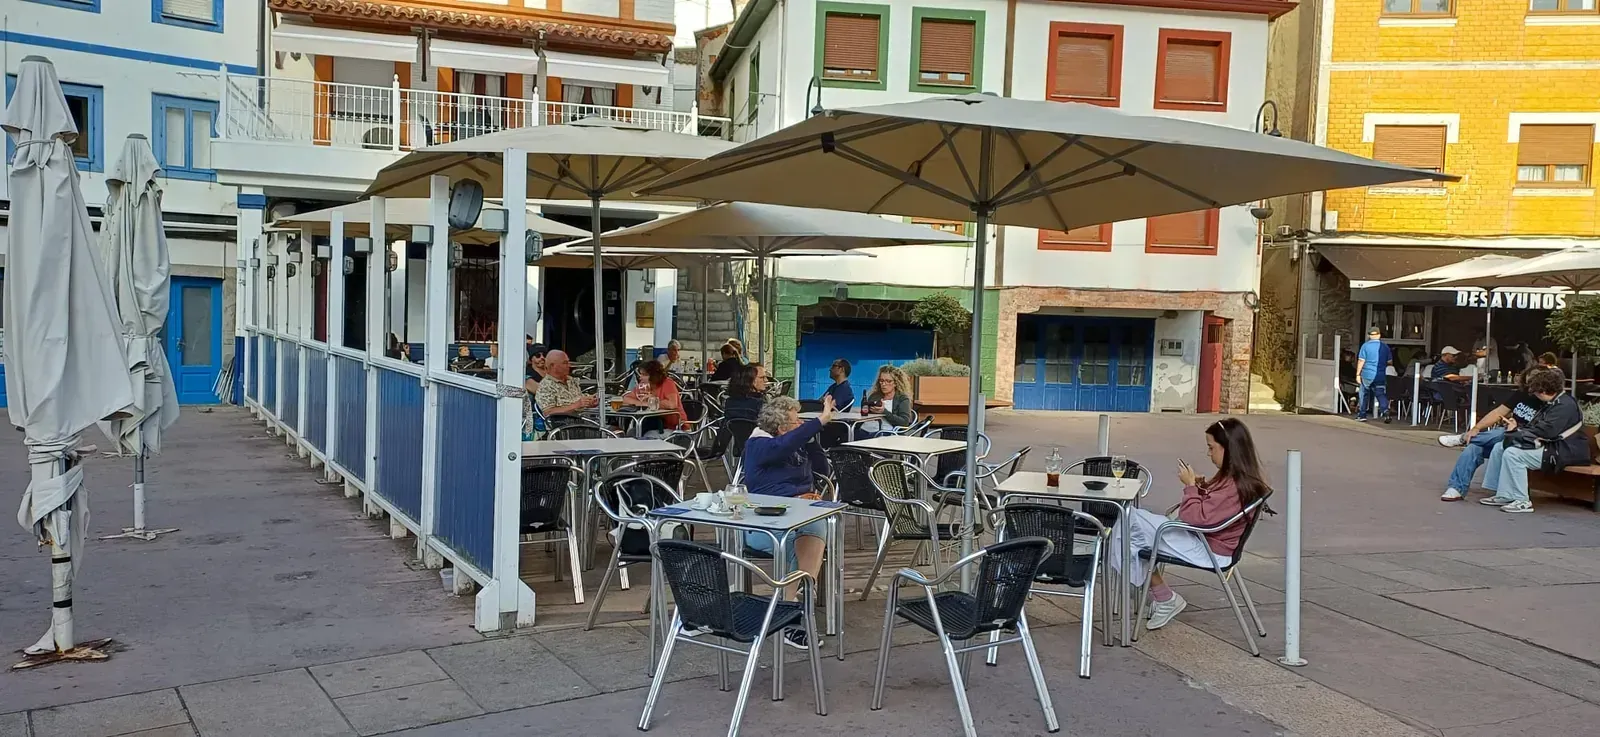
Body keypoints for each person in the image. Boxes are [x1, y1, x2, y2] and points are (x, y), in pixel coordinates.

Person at [1109, 418, 1272, 630]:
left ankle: (1163, 597)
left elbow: (1195, 518)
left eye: (1211, 447)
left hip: (1207, 547)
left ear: (1228, 449)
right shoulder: (1237, 479)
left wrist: (1190, 487)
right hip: (1204, 539)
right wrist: (1200, 486)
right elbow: (1213, 511)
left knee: (1127, 526)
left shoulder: (1234, 485)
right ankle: (1158, 594)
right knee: (1130, 523)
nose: (1208, 453)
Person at [741, 394, 836, 648]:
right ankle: (797, 605)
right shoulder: (759, 445)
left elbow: (823, 471)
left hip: (799, 521)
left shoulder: (795, 443)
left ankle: (793, 606)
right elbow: (781, 448)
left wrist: (812, 438)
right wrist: (817, 422)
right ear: (782, 428)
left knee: (816, 523)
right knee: (800, 536)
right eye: (797, 422)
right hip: (763, 526)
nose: (801, 424)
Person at [1476, 367, 1589, 514]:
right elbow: (1539, 428)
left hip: (1566, 450)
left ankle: (1522, 500)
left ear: (1542, 391)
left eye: (1535, 392)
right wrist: (1518, 429)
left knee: (1513, 454)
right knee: (1500, 447)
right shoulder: (1555, 402)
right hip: (1554, 445)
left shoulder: (1564, 405)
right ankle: (1504, 493)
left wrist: (1517, 432)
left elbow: (1547, 431)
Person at [1437, 367, 1548, 501]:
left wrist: (1515, 429)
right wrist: (1476, 428)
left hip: (1526, 440)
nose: (1530, 386)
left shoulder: (1548, 402)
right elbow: (1498, 413)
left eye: (1534, 382)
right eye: (1528, 381)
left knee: (1498, 435)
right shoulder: (1522, 394)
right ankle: (1456, 488)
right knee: (1474, 447)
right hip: (1509, 436)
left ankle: (1463, 438)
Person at [622, 360, 685, 434]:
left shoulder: (667, 383)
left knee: (647, 435)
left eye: (644, 375)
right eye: (640, 374)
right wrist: (644, 403)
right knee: (632, 433)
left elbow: (672, 404)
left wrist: (652, 400)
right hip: (652, 425)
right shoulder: (643, 385)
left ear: (653, 375)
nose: (640, 377)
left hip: (674, 427)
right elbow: (626, 399)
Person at [535, 349, 599, 419]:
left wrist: (589, 402)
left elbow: (578, 399)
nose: (569, 365)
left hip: (583, 421)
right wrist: (576, 405)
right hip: (564, 426)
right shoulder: (545, 386)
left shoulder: (570, 380)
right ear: (552, 366)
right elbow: (548, 412)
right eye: (565, 363)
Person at [857, 365, 913, 438]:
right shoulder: (875, 396)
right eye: (881, 381)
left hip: (887, 433)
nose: (883, 384)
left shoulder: (902, 398)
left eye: (888, 381)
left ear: (896, 383)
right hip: (867, 429)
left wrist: (884, 412)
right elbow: (866, 415)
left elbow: (904, 423)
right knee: (846, 435)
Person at [1355, 328, 1392, 423]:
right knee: (1380, 394)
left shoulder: (1365, 346)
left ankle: (1362, 415)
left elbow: (1361, 361)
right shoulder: (1385, 347)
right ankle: (1385, 410)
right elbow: (1390, 362)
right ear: (1379, 335)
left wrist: (1358, 374)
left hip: (1367, 375)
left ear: (1369, 335)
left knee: (1364, 394)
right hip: (1380, 375)